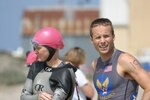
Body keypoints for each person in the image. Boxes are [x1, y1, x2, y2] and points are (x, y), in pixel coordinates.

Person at [90, 18, 150, 100]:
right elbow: (102, 95)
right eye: (98, 37)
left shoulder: (124, 60)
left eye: (106, 36)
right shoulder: (95, 64)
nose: (102, 41)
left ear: (113, 37)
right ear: (92, 40)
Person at [21, 27, 77, 100]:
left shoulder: (65, 71)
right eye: (34, 48)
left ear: (52, 48)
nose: (35, 52)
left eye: (38, 48)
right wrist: (37, 97)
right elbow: (23, 97)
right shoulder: (35, 66)